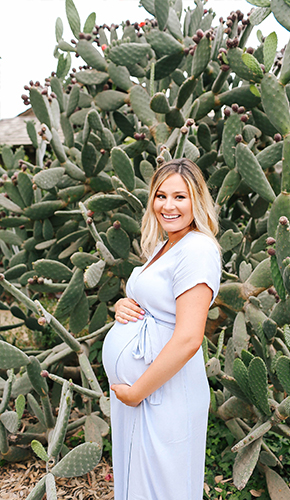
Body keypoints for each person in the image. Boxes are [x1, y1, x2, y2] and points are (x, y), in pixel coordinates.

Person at [102, 158, 221, 500]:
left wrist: (137, 391)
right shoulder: (164, 245)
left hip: (164, 392)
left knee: (164, 491)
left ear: (196, 201)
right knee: (138, 487)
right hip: (145, 392)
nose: (168, 206)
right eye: (161, 195)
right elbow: (156, 303)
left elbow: (188, 338)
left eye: (180, 197)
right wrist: (124, 305)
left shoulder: (197, 249)